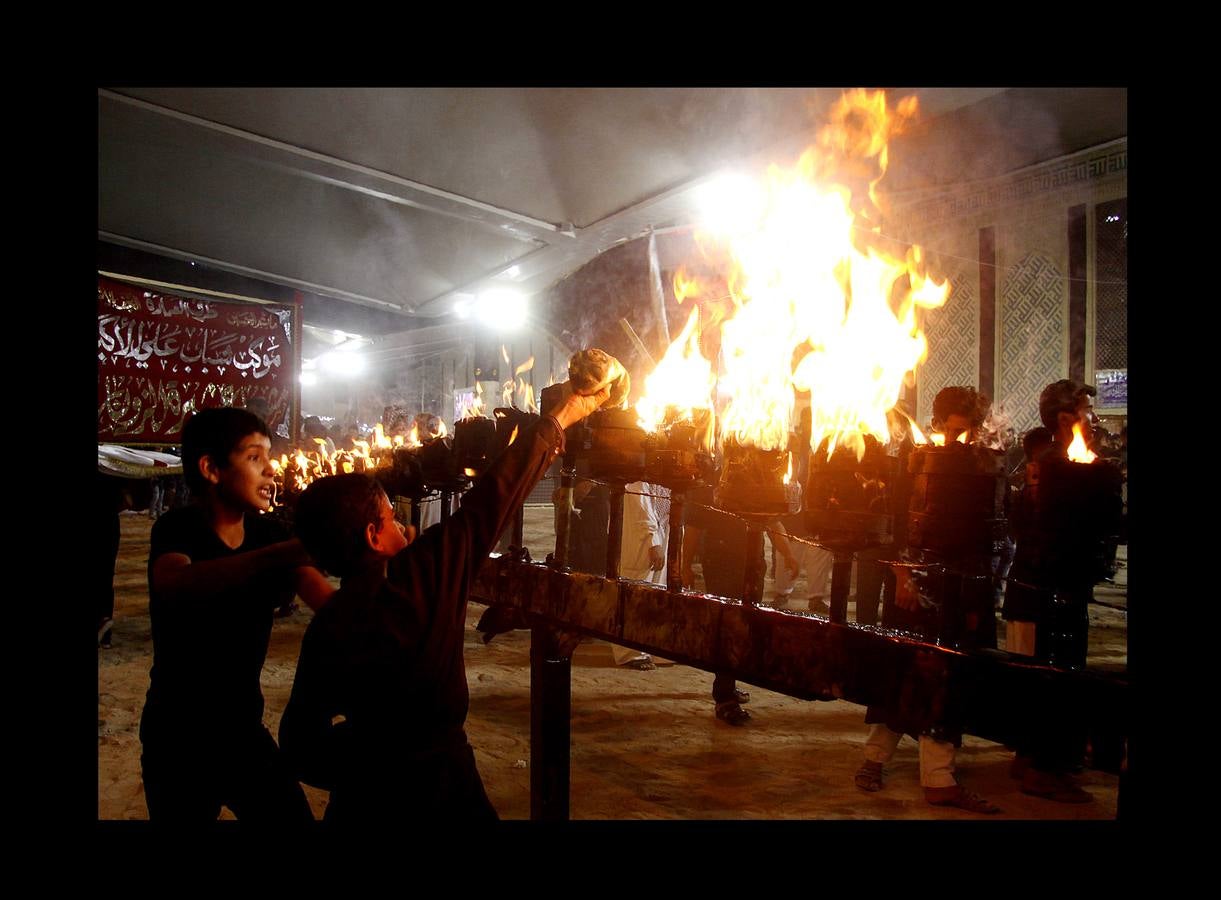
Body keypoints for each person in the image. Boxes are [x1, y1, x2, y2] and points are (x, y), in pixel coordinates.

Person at [279, 382, 608, 823]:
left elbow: (300, 744)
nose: (404, 531)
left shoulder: (328, 626)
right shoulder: (423, 575)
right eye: (392, 521)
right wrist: (560, 418)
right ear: (374, 537)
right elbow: (494, 497)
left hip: (362, 803)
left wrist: (368, 763)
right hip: (445, 786)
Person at [138, 407, 334, 822]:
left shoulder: (269, 533)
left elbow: (329, 604)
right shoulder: (177, 529)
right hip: (176, 737)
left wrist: (374, 559)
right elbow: (175, 583)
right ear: (211, 469)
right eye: (254, 457)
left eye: (269, 456)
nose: (270, 470)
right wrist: (283, 552)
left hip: (243, 732)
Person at [854, 386, 1002, 814]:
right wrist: (903, 575)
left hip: (963, 588)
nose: (963, 439)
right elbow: (895, 525)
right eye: (955, 430)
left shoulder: (982, 464)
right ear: (938, 425)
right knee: (901, 674)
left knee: (949, 679)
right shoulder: (914, 462)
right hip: (914, 585)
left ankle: (938, 776)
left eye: (970, 431)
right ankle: (875, 759)